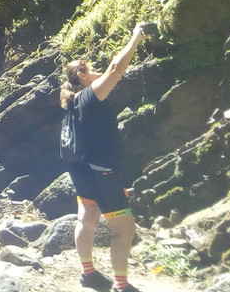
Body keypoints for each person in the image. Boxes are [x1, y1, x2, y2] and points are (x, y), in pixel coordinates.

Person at [60, 21, 150, 292]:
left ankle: (89, 274)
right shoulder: (89, 96)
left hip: (80, 169)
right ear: (83, 77)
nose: (97, 71)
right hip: (102, 172)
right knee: (124, 230)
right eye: (91, 69)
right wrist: (136, 36)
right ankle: (121, 286)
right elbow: (116, 68)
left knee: (87, 218)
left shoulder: (72, 102)